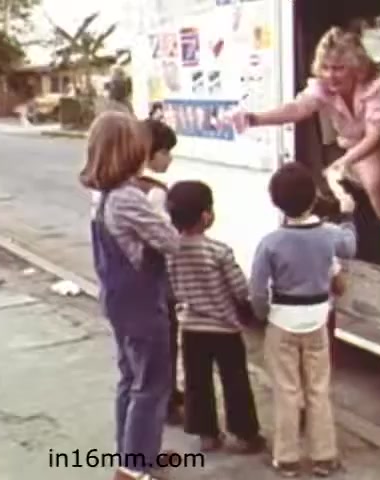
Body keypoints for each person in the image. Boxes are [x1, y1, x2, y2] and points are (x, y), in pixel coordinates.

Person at [79, 111, 180, 480]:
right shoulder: (128, 198)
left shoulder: (102, 195)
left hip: (117, 300)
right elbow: (170, 242)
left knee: (129, 378)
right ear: (130, 152)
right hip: (141, 303)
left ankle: (135, 452)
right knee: (152, 384)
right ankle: (134, 468)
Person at [249, 162, 356, 477]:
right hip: (318, 320)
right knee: (318, 389)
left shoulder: (270, 242)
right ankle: (324, 456)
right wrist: (348, 213)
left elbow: (257, 290)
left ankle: (287, 459)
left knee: (287, 390)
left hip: (282, 321)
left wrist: (264, 314)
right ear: (314, 198)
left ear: (275, 202)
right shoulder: (329, 235)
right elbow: (350, 247)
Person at [232, 26, 380, 226]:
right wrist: (254, 118)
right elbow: (297, 109)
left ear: (356, 68)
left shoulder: (375, 86)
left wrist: (343, 163)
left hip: (377, 144)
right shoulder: (324, 85)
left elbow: (373, 137)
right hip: (349, 145)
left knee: (375, 182)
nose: (331, 75)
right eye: (326, 67)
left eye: (339, 68)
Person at [165, 180, 266, 454]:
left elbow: (171, 287)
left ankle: (206, 434)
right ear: (207, 216)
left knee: (197, 383)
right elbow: (240, 289)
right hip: (225, 329)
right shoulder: (219, 251)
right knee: (235, 381)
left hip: (191, 328)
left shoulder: (170, 251)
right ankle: (245, 434)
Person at [135, 118, 183, 425]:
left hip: (129, 282)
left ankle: (165, 393)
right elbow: (165, 238)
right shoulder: (155, 192)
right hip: (156, 279)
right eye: (166, 151)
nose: (170, 158)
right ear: (152, 153)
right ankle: (165, 400)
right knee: (167, 338)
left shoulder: (116, 186)